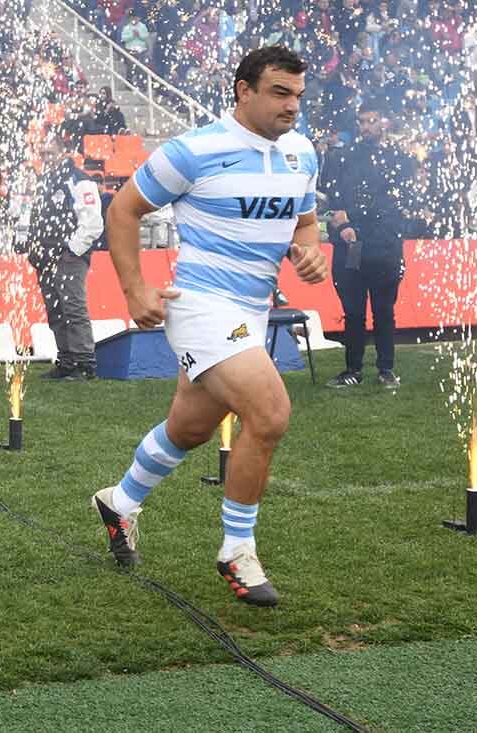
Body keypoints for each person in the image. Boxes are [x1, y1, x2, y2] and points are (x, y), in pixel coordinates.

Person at [97, 46, 329, 606]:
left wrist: (309, 252)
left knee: (190, 428)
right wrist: (134, 290)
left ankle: (120, 501)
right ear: (242, 91)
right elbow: (122, 210)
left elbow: (305, 223)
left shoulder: (302, 153)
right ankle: (237, 551)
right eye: (279, 92)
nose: (292, 106)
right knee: (270, 413)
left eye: (297, 94)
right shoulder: (194, 151)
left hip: (252, 309)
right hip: (201, 306)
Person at [325, 100, 421, 389]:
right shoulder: (345, 157)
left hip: (384, 247)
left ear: (385, 123)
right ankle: (353, 369)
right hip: (351, 247)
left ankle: (386, 369)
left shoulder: (399, 160)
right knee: (353, 312)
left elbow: (392, 205)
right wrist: (341, 225)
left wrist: (351, 217)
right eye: (362, 121)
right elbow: (334, 199)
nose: (366, 127)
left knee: (383, 311)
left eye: (371, 121)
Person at [27, 134, 104, 379]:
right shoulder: (45, 181)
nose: (47, 159)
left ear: (64, 152)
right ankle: (66, 361)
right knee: (55, 311)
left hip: (68, 256)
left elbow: (93, 223)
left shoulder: (79, 180)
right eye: (44, 154)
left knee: (73, 308)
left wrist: (72, 250)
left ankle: (85, 363)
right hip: (46, 256)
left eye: (51, 153)